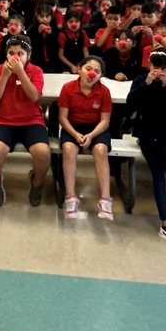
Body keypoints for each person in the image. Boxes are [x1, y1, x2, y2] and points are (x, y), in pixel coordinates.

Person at [127, 49, 166, 247]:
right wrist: (146, 84)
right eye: (156, 67)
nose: (158, 71)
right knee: (157, 175)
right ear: (149, 66)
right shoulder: (140, 82)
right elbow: (130, 106)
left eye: (164, 68)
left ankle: (160, 159)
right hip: (146, 136)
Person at [0, 35, 49, 207]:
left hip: (32, 121)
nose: (15, 57)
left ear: (28, 55)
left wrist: (21, 72)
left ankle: (36, 184)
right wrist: (5, 76)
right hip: (4, 120)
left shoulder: (36, 71)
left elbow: (35, 96)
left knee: (43, 153)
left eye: (20, 53)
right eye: (11, 53)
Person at [58, 56, 114, 219]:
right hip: (72, 126)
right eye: (88, 68)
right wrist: (75, 134)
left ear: (101, 75)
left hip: (96, 128)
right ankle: (70, 196)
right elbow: (63, 118)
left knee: (101, 150)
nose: (91, 73)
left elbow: (105, 120)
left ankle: (105, 199)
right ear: (79, 69)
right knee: (68, 149)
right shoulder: (68, 88)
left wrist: (91, 135)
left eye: (97, 71)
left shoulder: (104, 91)